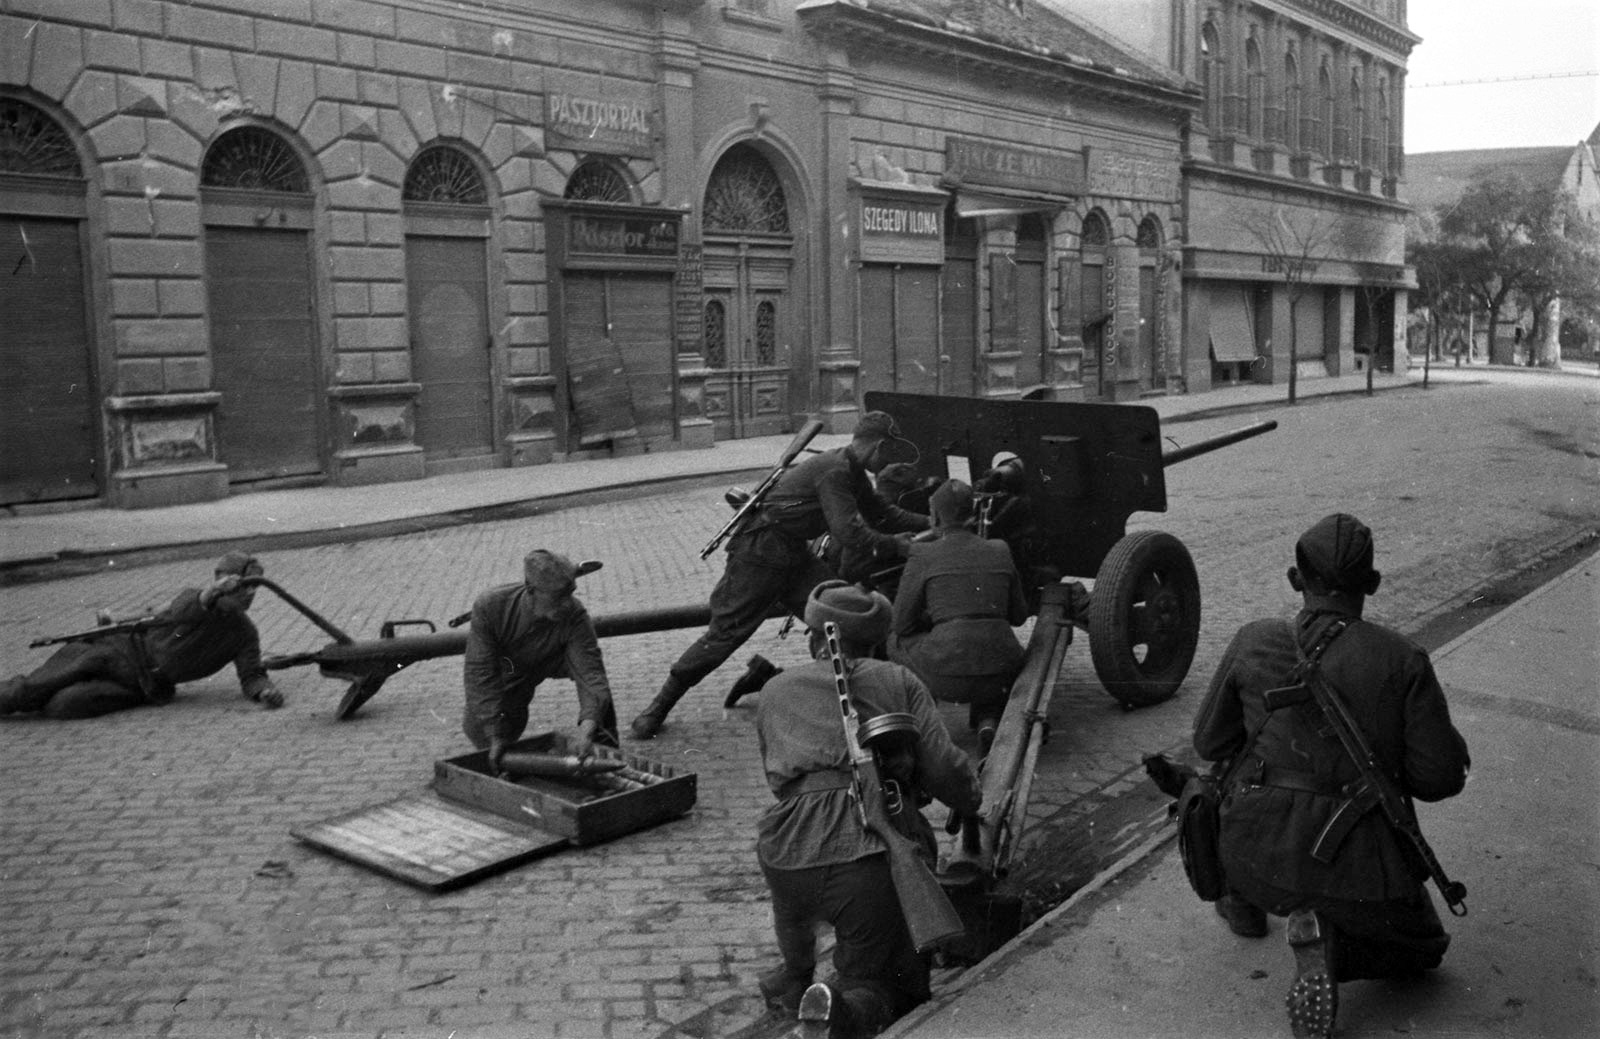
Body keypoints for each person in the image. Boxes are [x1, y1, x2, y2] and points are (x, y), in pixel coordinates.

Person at [1191, 514, 1470, 1039]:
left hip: (1256, 854)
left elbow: (1209, 742)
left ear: (1296, 581)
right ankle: (1332, 936)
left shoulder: (1254, 641)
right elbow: (1438, 780)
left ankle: (1246, 904)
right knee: (1422, 952)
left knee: (1212, 780)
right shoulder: (1402, 659)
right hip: (1364, 873)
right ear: (1373, 584)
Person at [754, 580, 980, 1038]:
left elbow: (779, 779)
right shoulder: (898, 680)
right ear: (877, 642)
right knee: (889, 983)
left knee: (805, 932)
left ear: (816, 639)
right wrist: (971, 799)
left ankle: (796, 977)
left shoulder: (775, 689)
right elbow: (943, 769)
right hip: (865, 856)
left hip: (786, 854)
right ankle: (845, 1013)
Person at [632, 411, 929, 739]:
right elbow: (849, 533)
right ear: (877, 445)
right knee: (724, 635)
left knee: (843, 613)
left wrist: (932, 524)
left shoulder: (852, 471)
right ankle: (657, 708)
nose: (888, 461)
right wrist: (895, 546)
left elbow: (882, 513)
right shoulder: (836, 471)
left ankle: (838, 698)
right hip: (758, 553)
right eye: (888, 452)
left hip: (793, 555)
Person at [0, 551, 282, 719]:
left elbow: (252, 676)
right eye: (242, 587)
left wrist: (264, 692)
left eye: (253, 589)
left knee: (62, 707)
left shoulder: (244, 633)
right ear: (220, 585)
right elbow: (186, 609)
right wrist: (211, 592)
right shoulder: (194, 600)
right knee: (28, 690)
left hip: (144, 685)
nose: (249, 595)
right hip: (116, 651)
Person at [888, 479, 1029, 753]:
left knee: (894, 640)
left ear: (936, 517)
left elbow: (901, 623)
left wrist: (937, 618)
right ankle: (988, 717)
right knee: (983, 650)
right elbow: (1019, 616)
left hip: (948, 678)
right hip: (1002, 669)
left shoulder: (922, 553)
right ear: (973, 514)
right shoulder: (1000, 548)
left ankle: (924, 716)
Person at [463, 549, 620, 772]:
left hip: (555, 659)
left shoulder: (574, 615)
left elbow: (590, 673)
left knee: (597, 696)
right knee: (485, 733)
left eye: (571, 593)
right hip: (510, 668)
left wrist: (588, 729)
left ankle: (607, 749)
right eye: (559, 596)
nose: (567, 603)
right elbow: (479, 673)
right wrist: (494, 731)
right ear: (530, 589)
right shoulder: (491, 605)